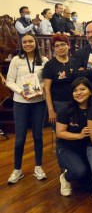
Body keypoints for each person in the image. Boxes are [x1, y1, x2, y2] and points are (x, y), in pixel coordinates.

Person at [6, 33, 48, 184]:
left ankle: (38, 167)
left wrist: (40, 89)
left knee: (38, 136)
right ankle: (17, 169)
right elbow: (9, 81)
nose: (28, 44)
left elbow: (45, 80)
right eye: (25, 42)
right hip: (20, 103)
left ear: (36, 43)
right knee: (20, 138)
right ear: (21, 44)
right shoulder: (17, 60)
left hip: (38, 102)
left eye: (31, 41)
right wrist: (21, 91)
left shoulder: (43, 60)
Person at [43, 34, 92, 127]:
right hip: (59, 103)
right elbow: (46, 89)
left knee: (76, 128)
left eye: (63, 44)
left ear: (68, 45)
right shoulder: (50, 65)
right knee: (61, 131)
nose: (60, 48)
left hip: (76, 101)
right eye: (57, 46)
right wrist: (51, 110)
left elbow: (81, 77)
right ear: (53, 48)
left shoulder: (74, 61)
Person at [56, 77, 92, 196]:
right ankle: (66, 177)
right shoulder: (66, 110)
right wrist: (79, 135)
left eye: (82, 89)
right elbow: (60, 133)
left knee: (89, 185)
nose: (79, 93)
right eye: (75, 90)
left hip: (87, 150)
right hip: (67, 148)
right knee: (80, 172)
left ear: (90, 91)